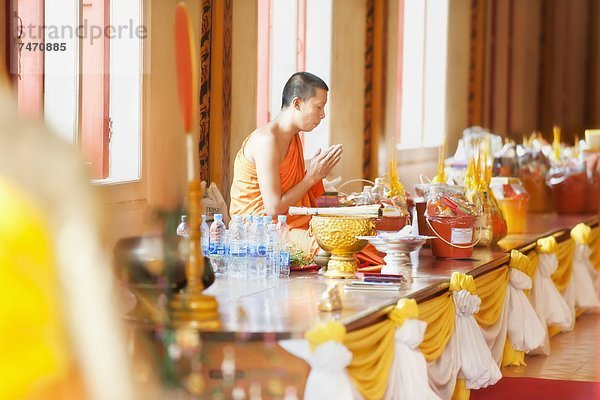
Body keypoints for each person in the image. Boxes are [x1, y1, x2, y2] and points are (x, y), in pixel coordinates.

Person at [230, 72, 383, 266]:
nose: (323, 114)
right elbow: (274, 209)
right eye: (318, 107)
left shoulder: (293, 138)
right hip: (261, 230)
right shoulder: (266, 141)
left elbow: (303, 194)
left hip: (290, 224)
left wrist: (344, 206)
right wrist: (312, 176)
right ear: (297, 103)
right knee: (334, 249)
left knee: (359, 239)